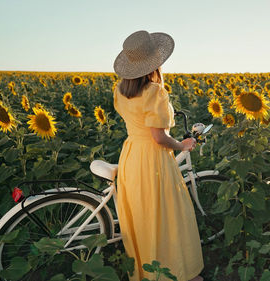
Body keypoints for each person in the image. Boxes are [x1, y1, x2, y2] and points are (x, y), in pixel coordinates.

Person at [112, 30, 204, 281]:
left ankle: (145, 272)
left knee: (141, 217)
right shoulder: (154, 92)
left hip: (131, 155)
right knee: (164, 216)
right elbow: (159, 137)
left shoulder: (120, 90)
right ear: (154, 62)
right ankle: (174, 274)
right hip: (153, 158)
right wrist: (182, 145)